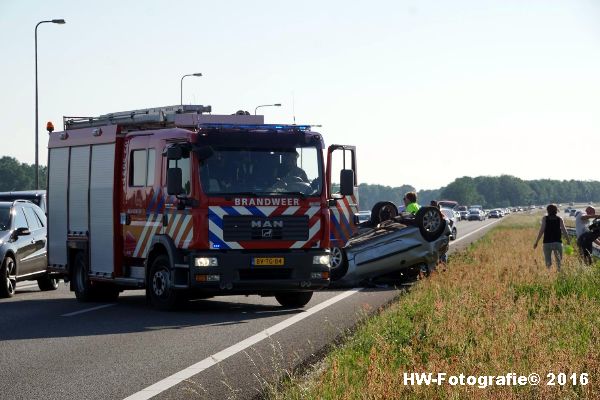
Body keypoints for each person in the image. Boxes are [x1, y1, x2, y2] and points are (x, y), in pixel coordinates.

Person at [533, 204, 570, 270]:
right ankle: (559, 274)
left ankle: (549, 275)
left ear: (548, 211)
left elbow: (541, 230)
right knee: (559, 262)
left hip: (547, 243)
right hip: (557, 242)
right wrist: (568, 241)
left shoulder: (545, 219)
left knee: (548, 262)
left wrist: (536, 242)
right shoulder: (559, 219)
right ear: (556, 211)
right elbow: (564, 231)